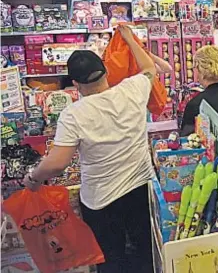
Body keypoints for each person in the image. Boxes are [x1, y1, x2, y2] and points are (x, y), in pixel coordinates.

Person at [23, 25, 156, 273]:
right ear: (105, 71)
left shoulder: (74, 114)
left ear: (75, 83)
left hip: (101, 200)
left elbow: (57, 163)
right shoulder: (133, 89)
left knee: (110, 258)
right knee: (145, 252)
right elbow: (149, 68)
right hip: (141, 188)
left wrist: (33, 178)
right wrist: (129, 38)